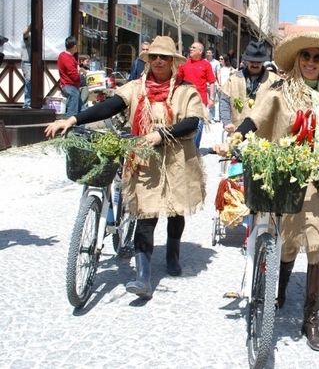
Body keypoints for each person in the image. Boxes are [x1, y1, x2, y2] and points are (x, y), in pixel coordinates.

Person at [213, 31, 319, 351]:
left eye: (318, 58)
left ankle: (311, 320)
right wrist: (232, 142)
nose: (312, 62)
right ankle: (278, 293)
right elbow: (254, 120)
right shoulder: (280, 91)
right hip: (286, 175)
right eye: (306, 56)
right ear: (297, 59)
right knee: (287, 244)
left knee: (317, 246)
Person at [44, 36, 206, 299]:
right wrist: (73, 118)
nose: (158, 61)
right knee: (145, 215)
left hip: (176, 159)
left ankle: (172, 253)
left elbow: (192, 122)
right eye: (154, 57)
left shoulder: (185, 90)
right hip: (142, 159)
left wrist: (162, 134)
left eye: (164, 57)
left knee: (175, 211)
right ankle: (143, 278)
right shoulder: (135, 88)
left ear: (173, 62)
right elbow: (109, 106)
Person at [219, 41, 272, 134]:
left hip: (264, 136)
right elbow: (224, 101)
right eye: (252, 61)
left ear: (263, 61)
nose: (255, 64)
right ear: (246, 60)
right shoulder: (233, 80)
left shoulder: (274, 80)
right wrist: (227, 122)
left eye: (258, 62)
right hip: (237, 133)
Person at [177, 41, 215, 148]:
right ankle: (186, 147)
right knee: (185, 123)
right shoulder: (184, 64)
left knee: (198, 124)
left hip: (200, 100)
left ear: (200, 51)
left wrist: (211, 98)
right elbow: (178, 80)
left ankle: (194, 148)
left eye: (194, 47)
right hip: (185, 99)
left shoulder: (206, 65)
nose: (191, 49)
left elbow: (212, 82)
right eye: (191, 47)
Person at [58, 36, 82, 119]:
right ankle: (71, 130)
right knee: (73, 112)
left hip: (69, 86)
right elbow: (74, 75)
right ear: (74, 46)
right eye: (77, 45)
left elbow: (76, 68)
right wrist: (80, 73)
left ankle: (80, 130)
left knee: (82, 110)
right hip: (71, 86)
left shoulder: (64, 56)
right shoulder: (67, 58)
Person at [205, 46, 221, 123]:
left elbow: (218, 73)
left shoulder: (216, 63)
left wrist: (219, 84)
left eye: (210, 53)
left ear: (213, 54)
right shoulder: (203, 61)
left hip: (212, 84)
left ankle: (212, 117)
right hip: (204, 83)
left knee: (212, 100)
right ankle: (205, 117)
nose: (208, 54)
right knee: (204, 101)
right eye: (207, 53)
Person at [21, 25, 32, 109]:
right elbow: (25, 33)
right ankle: (27, 104)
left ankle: (30, 103)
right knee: (29, 83)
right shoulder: (28, 36)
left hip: (33, 63)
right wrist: (30, 27)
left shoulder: (38, 37)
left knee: (32, 83)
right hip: (27, 62)